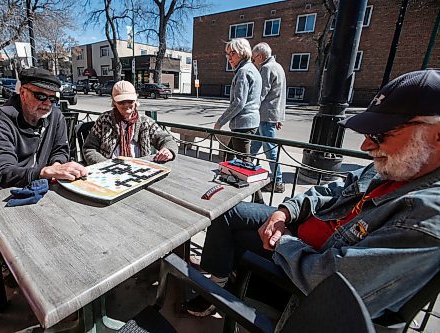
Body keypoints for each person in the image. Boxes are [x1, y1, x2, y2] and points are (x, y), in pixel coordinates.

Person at [186, 69, 440, 319]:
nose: (366, 145)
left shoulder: (426, 216)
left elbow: (331, 281)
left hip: (303, 273)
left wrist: (283, 241)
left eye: (381, 134)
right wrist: (284, 212)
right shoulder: (398, 167)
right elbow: (330, 190)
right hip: (299, 235)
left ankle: (222, 287)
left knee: (233, 237)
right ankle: (220, 280)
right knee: (225, 213)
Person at [0, 67, 87, 194]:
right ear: (23, 93)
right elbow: (3, 173)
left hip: (37, 186)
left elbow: (60, 150)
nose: (47, 103)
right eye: (40, 96)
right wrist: (45, 172)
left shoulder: (56, 116)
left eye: (53, 99)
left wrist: (57, 166)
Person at [82, 80, 177, 164]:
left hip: (140, 168)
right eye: (121, 102)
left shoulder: (145, 122)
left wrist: (168, 151)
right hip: (109, 170)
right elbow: (89, 148)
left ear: (135, 101)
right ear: (114, 102)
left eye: (130, 101)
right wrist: (105, 165)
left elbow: (167, 140)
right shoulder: (104, 120)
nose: (126, 105)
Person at [215, 38, 261, 161]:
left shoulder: (243, 71)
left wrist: (220, 122)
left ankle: (241, 179)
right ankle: (228, 176)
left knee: (244, 162)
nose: (229, 58)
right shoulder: (252, 69)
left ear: (242, 52)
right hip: (248, 123)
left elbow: (238, 103)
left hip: (243, 125)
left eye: (233, 53)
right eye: (228, 54)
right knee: (228, 156)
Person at [250, 42, 287, 193]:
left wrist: (250, 110)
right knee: (253, 147)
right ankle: (242, 169)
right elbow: (281, 96)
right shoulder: (278, 67)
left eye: (254, 59)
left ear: (261, 56)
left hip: (264, 116)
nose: (254, 62)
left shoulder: (266, 68)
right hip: (270, 115)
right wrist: (279, 117)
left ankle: (277, 181)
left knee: (270, 150)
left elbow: (260, 94)